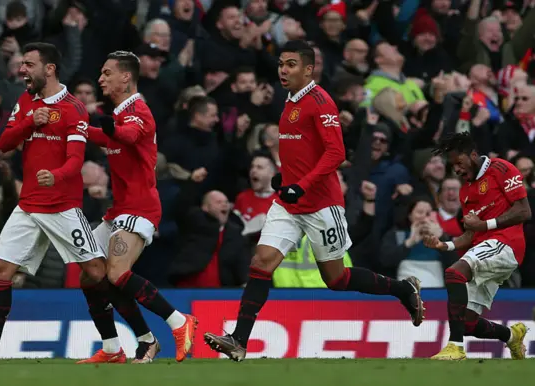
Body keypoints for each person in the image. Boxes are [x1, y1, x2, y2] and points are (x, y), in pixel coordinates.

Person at [203, 40, 425, 362]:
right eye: (281, 63)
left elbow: (336, 153)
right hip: (290, 202)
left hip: (321, 205)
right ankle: (239, 340)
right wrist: (284, 179)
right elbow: (301, 151)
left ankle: (403, 289)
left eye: (291, 64)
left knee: (336, 279)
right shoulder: (290, 101)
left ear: (309, 69)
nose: (283, 69)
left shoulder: (321, 102)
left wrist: (303, 185)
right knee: (261, 263)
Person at [0, 42, 108, 365]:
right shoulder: (25, 102)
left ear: (49, 68)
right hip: (29, 205)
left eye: (28, 64)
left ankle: (119, 344)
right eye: (22, 64)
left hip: (63, 205)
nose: (22, 70)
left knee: (95, 272)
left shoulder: (74, 109)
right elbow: (5, 143)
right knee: (0, 269)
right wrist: (30, 121)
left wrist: (57, 176)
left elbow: (76, 161)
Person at [82, 50, 197, 363]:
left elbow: (129, 135)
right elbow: (106, 137)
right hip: (119, 210)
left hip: (140, 207)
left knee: (118, 272)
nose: (101, 78)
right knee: (91, 275)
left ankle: (178, 321)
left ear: (125, 77)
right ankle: (124, 346)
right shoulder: (119, 114)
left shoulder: (138, 109)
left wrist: (107, 128)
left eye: (107, 73)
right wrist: (73, 128)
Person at [423, 132, 529, 361]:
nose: (458, 170)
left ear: (472, 155)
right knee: (467, 322)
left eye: (459, 163)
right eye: (454, 166)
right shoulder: (466, 191)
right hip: (485, 247)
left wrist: (485, 224)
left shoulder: (501, 169)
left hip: (506, 244)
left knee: (454, 273)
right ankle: (513, 336)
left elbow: (524, 211)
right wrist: (446, 245)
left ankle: (455, 347)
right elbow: (471, 234)